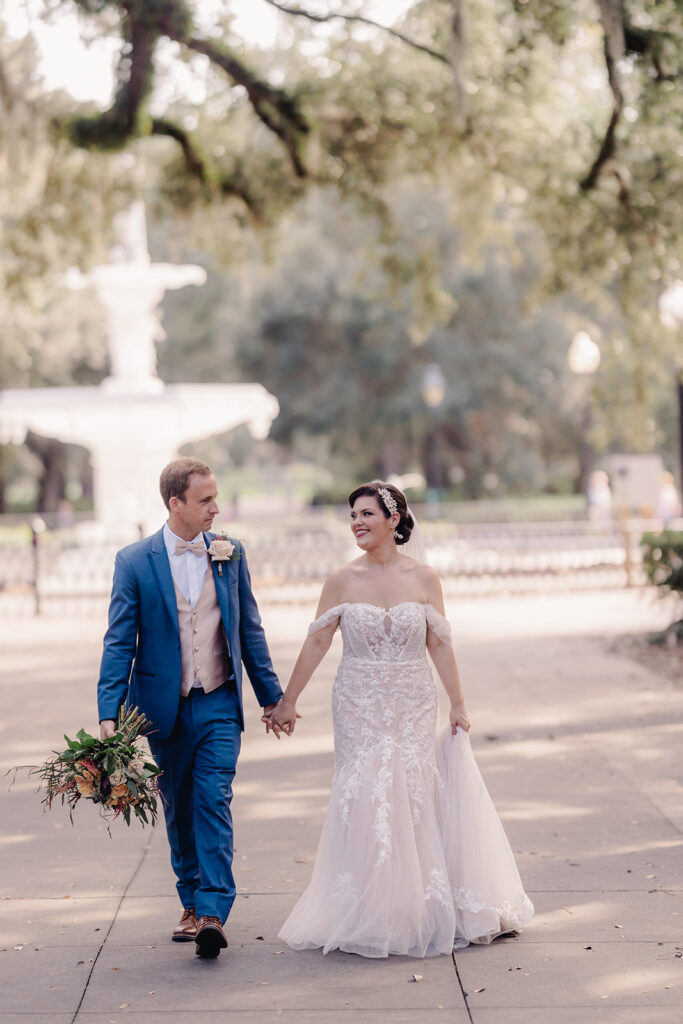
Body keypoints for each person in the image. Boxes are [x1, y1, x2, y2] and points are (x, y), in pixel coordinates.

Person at [267, 481, 533, 958]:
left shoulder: (426, 579)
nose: (357, 523)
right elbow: (318, 642)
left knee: (412, 787)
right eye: (352, 516)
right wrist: (288, 699)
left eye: (367, 514)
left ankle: (421, 905)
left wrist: (458, 703)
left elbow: (440, 644)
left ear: (393, 520)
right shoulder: (341, 580)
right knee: (364, 788)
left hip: (413, 696)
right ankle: (369, 906)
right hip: (358, 697)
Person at [97, 457, 283, 959]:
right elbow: (119, 643)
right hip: (162, 707)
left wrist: (273, 698)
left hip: (219, 701)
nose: (215, 509)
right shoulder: (134, 561)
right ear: (174, 503)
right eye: (205, 500)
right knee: (178, 807)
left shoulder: (230, 553)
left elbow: (249, 629)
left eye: (215, 498)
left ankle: (213, 910)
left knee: (212, 798)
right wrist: (109, 712)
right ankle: (189, 901)